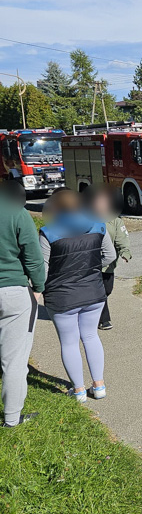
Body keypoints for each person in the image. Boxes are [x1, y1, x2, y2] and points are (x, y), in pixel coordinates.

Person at [39, 190, 116, 403]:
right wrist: (89, 269)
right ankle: (99, 386)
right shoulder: (99, 225)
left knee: (69, 342)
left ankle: (79, 390)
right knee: (91, 336)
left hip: (61, 296)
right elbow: (110, 255)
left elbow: (43, 270)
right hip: (93, 291)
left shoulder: (48, 232)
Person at [0, 181, 45, 427]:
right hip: (12, 292)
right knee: (14, 360)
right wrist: (39, 287)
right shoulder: (18, 214)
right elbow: (33, 257)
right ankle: (11, 418)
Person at [84, 187, 131, 331]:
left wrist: (125, 252)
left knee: (107, 290)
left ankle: (90, 310)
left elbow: (122, 239)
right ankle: (104, 320)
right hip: (90, 262)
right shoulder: (85, 219)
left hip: (108, 263)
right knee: (99, 292)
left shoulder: (115, 221)